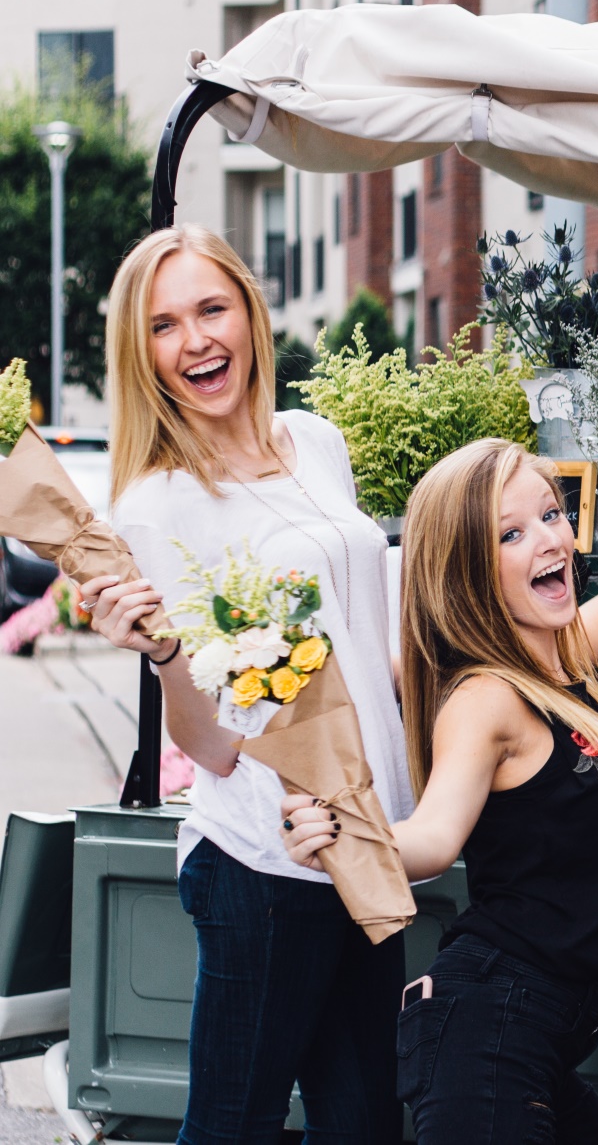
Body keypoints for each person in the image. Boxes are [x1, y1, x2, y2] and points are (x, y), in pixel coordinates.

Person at [81, 224, 411, 1144]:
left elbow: (369, 643)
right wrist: (158, 655)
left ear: (251, 313)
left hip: (366, 837)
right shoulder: (157, 505)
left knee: (366, 1129)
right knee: (233, 1127)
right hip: (266, 860)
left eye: (211, 308)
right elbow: (213, 742)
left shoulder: (316, 440)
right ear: (142, 354)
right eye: (165, 325)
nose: (196, 341)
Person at [280, 438, 598, 1144]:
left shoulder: (563, 654)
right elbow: (434, 838)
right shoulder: (487, 696)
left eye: (552, 514)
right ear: (469, 570)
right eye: (511, 533)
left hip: (541, 1035)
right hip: (490, 1027)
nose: (551, 538)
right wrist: (345, 834)